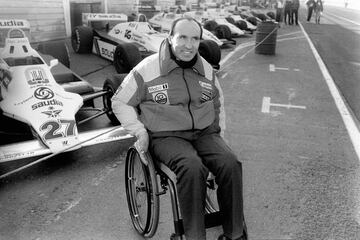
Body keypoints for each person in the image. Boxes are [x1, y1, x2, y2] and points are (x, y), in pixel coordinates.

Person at [112, 16, 247, 240]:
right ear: (170, 38)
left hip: (204, 133)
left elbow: (217, 102)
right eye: (182, 37)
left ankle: (234, 233)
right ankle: (195, 235)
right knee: (192, 167)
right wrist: (139, 131)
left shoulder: (205, 68)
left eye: (194, 39)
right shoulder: (148, 68)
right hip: (166, 136)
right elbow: (120, 101)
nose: (188, 44)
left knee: (230, 162)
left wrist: (219, 135)